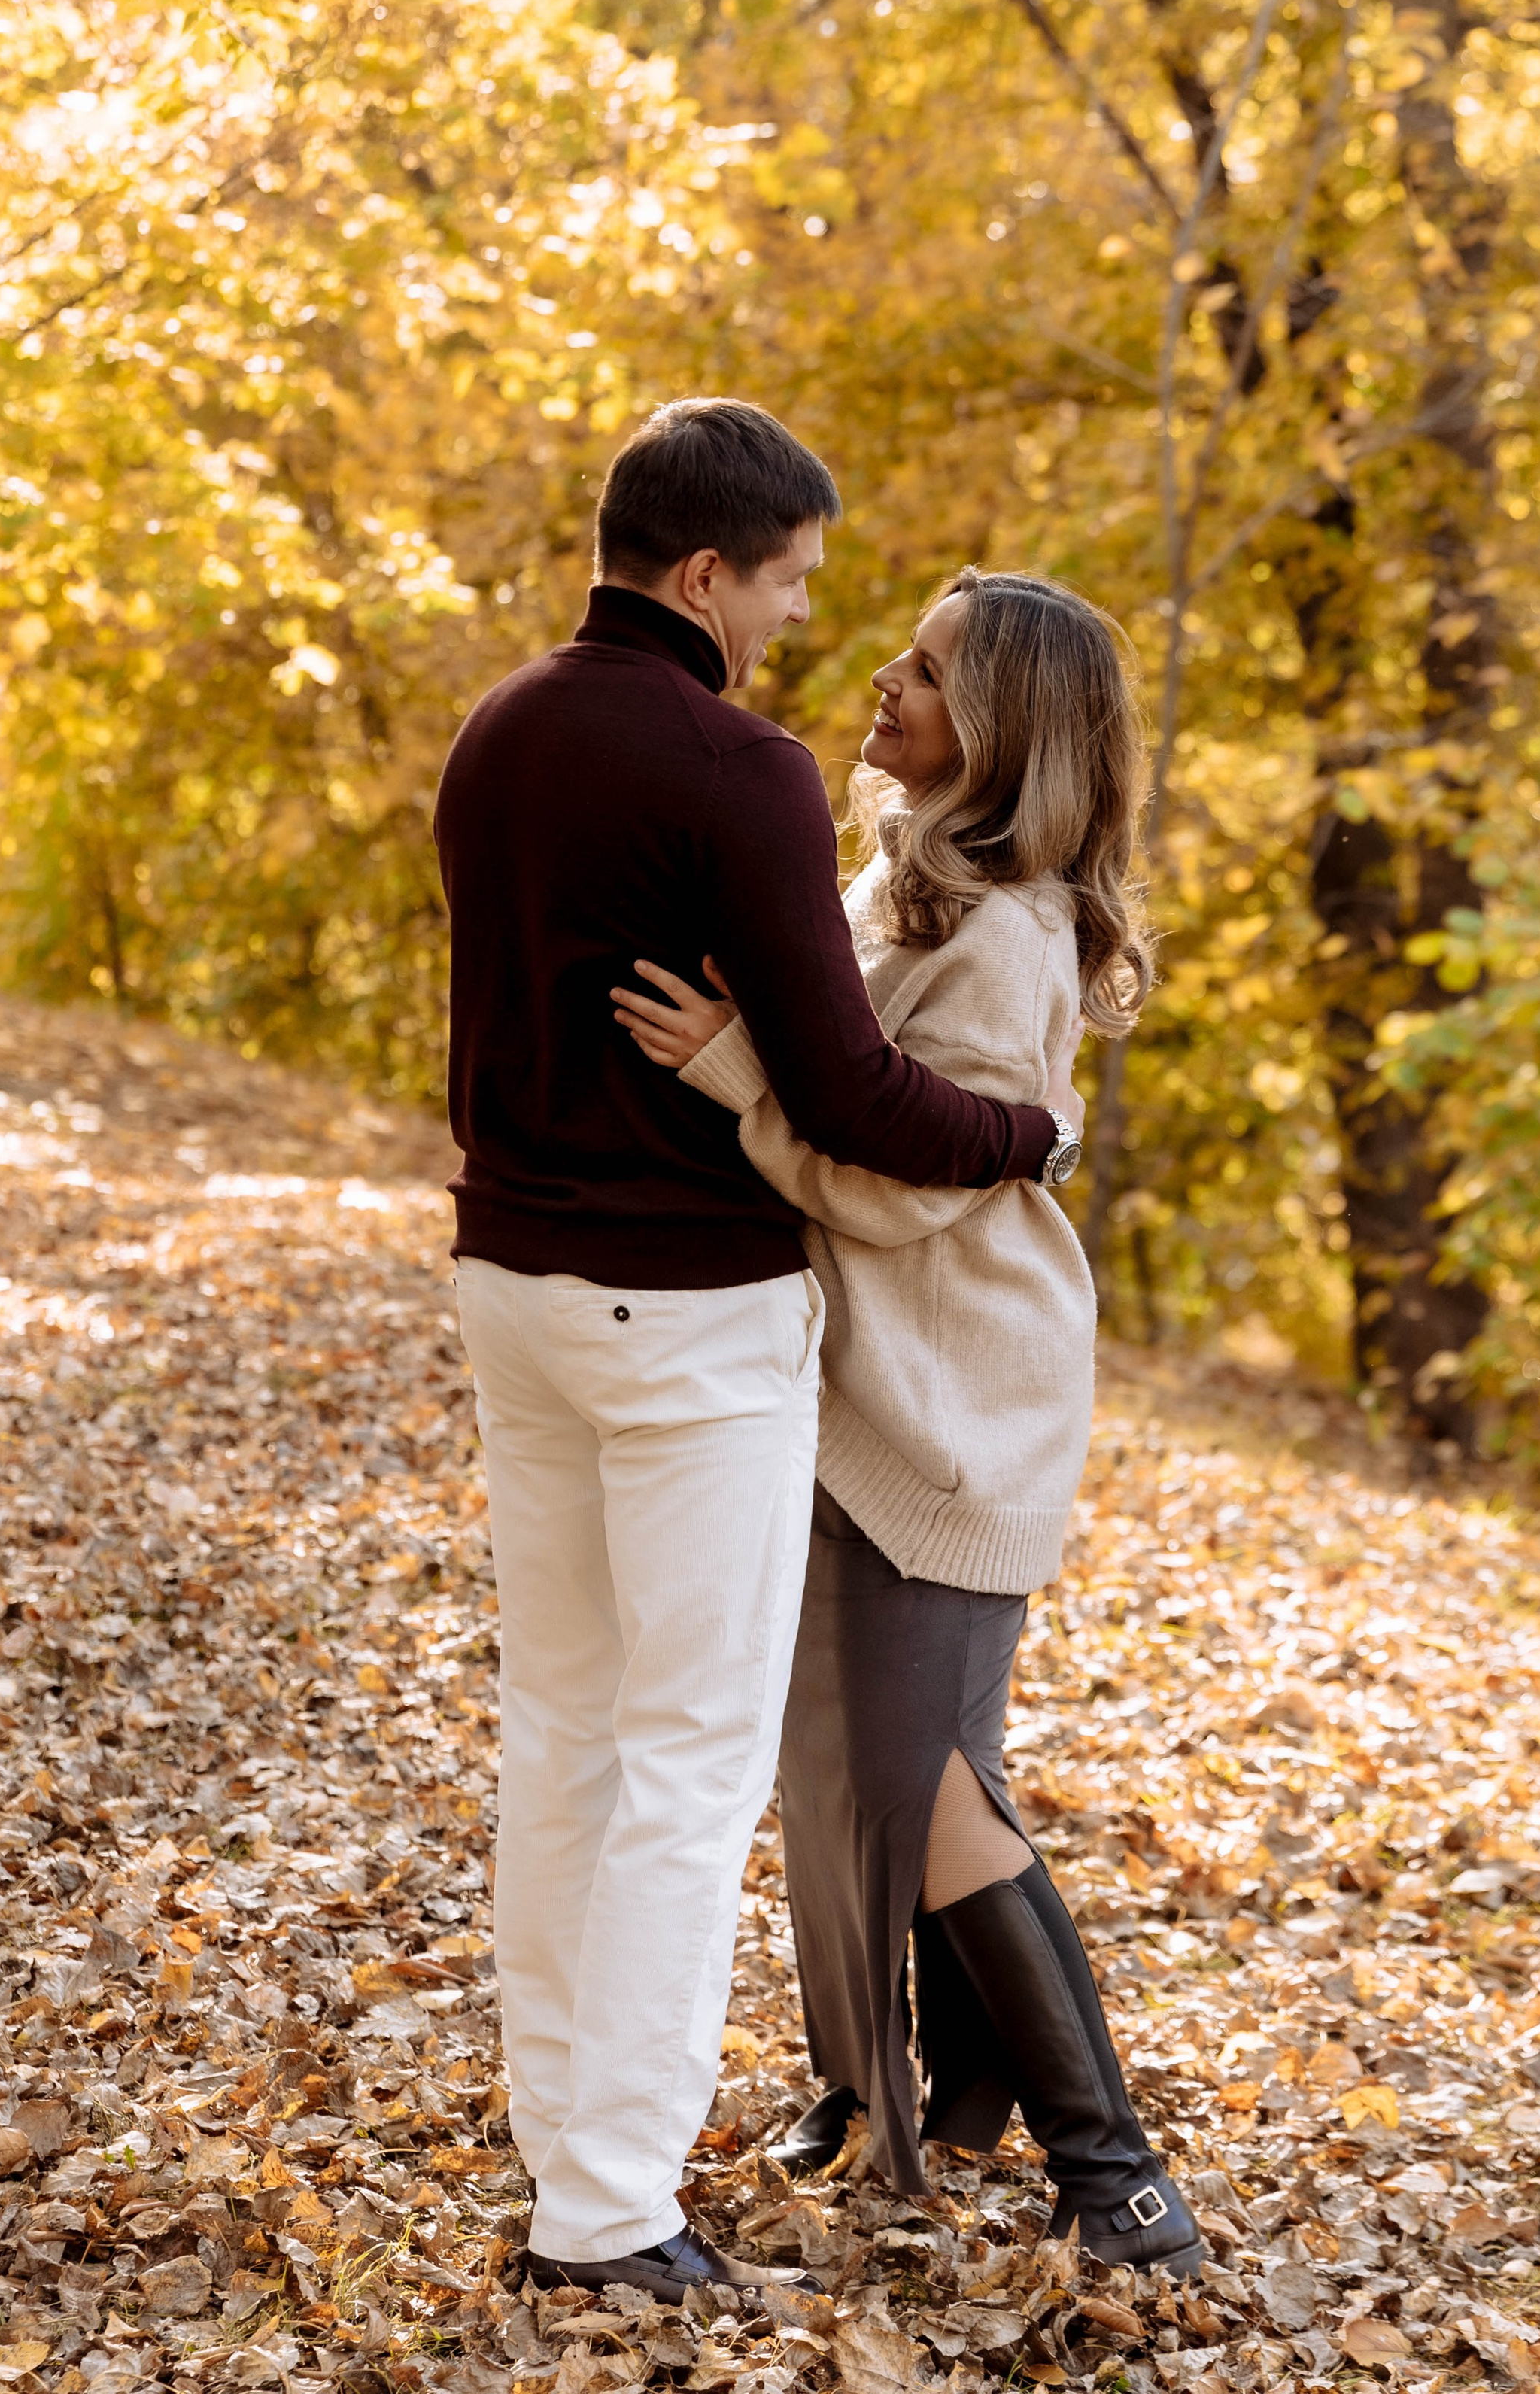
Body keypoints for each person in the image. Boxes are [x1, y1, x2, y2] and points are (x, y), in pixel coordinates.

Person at [433, 406, 1086, 2307]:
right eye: (792, 577)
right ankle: (608, 2210)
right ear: (708, 571)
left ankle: (564, 2142)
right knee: (686, 1768)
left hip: (515, 1289)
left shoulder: (498, 732)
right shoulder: (737, 767)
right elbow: (862, 1096)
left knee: (562, 1732)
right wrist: (1025, 1139)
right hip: (686, 1327)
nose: (805, 617)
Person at [614, 569, 1203, 2277]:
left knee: (915, 1783)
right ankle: (912, 2098)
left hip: (956, 1406)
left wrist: (734, 1075)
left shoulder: (1009, 936)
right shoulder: (903, 884)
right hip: (855, 1384)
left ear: (1007, 730)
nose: (885, 678)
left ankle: (1118, 2175)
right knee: (848, 1769)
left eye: (930, 674)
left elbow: (895, 1193)